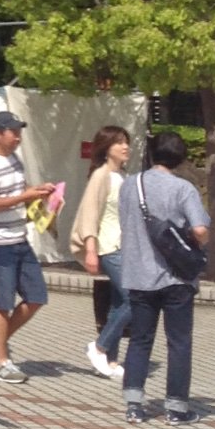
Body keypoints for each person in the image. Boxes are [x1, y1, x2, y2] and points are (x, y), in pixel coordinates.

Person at [117, 131, 208, 424]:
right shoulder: (184, 189)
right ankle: (177, 408)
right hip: (176, 278)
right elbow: (200, 230)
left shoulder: (131, 185)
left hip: (138, 274)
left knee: (140, 340)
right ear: (181, 158)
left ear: (152, 154)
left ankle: (133, 405)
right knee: (178, 342)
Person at [0, 111, 56, 384]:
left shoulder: (14, 159)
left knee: (36, 297)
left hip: (19, 237)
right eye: (13, 131)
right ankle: (2, 361)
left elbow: (18, 193)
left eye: (19, 130)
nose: (18, 136)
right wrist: (26, 196)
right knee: (3, 301)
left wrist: (38, 191)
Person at [71, 124, 131, 380]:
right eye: (119, 143)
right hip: (108, 247)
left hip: (124, 247)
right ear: (106, 148)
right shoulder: (101, 175)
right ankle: (98, 347)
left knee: (119, 303)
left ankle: (111, 359)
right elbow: (90, 214)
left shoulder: (123, 176)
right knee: (133, 299)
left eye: (126, 142)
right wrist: (91, 250)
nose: (125, 146)